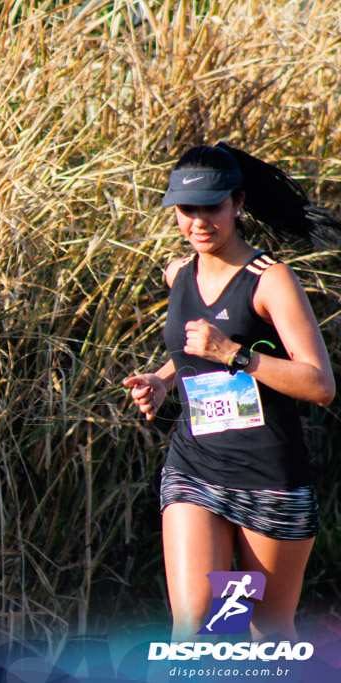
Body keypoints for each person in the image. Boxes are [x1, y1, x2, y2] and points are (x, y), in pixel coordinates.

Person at [123, 142, 337, 642]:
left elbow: (320, 384)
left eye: (212, 208)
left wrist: (235, 355)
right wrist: (163, 378)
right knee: (194, 624)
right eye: (186, 210)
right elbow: (189, 347)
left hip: (268, 478)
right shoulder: (178, 274)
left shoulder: (271, 281)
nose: (198, 222)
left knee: (262, 631)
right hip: (195, 467)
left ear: (238, 204)